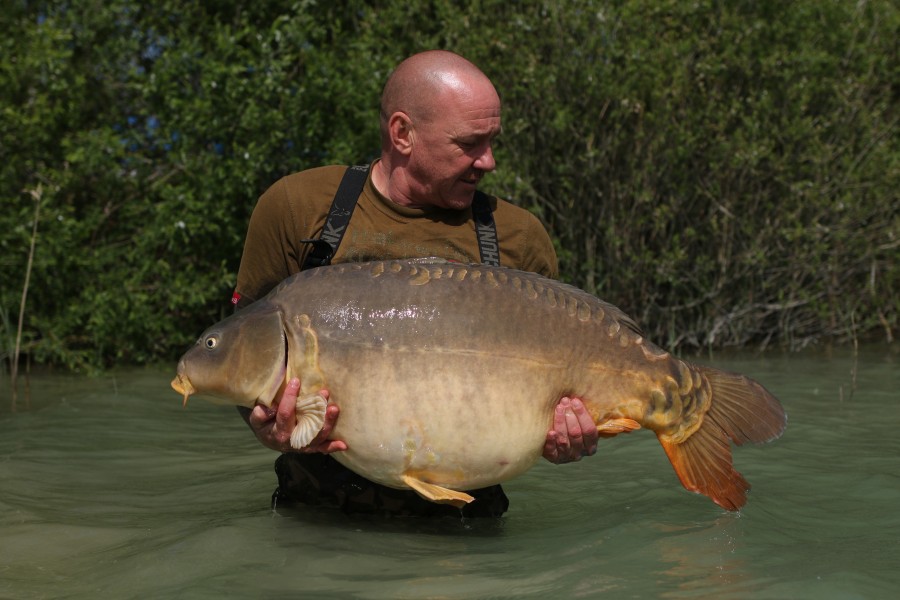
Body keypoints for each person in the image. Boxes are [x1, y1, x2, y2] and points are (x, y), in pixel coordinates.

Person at [233, 50, 597, 517]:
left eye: (492, 142)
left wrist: (565, 438)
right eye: (469, 144)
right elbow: (242, 355)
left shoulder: (519, 236)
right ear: (402, 133)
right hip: (315, 522)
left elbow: (555, 389)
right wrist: (263, 425)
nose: (488, 161)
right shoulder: (295, 208)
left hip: (468, 528)